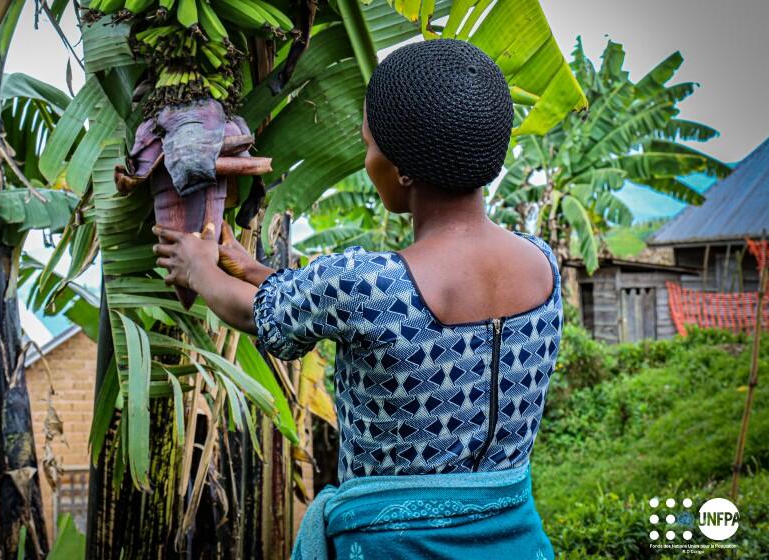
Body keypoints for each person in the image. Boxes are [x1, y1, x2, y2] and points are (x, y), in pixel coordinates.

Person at [153, 38, 560, 560]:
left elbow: (254, 313)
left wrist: (197, 266)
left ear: (401, 169)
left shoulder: (366, 282)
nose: (366, 158)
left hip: (396, 548)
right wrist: (256, 270)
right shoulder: (541, 263)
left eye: (368, 145)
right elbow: (327, 302)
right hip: (516, 542)